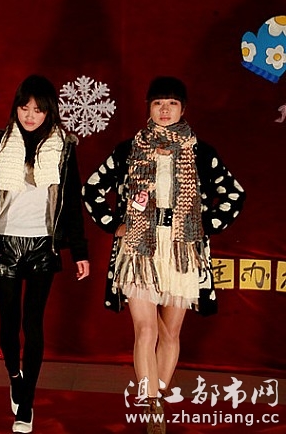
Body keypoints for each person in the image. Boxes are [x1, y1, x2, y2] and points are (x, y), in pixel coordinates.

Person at [81, 77, 245, 434]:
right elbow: (91, 188)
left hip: (181, 249)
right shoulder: (129, 149)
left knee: (169, 333)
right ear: (149, 108)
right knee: (145, 329)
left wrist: (205, 225)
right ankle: (151, 405)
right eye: (158, 103)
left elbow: (234, 193)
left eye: (172, 103)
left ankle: (158, 394)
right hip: (139, 247)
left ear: (183, 108)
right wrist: (113, 223)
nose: (165, 110)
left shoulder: (200, 152)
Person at [0, 75, 90, 434]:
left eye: (38, 109)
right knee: (8, 323)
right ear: (16, 108)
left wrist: (79, 251)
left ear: (49, 111)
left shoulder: (63, 148)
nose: (30, 115)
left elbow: (72, 202)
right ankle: (14, 375)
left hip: (42, 245)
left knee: (32, 323)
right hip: (5, 243)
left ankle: (26, 404)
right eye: (24, 108)